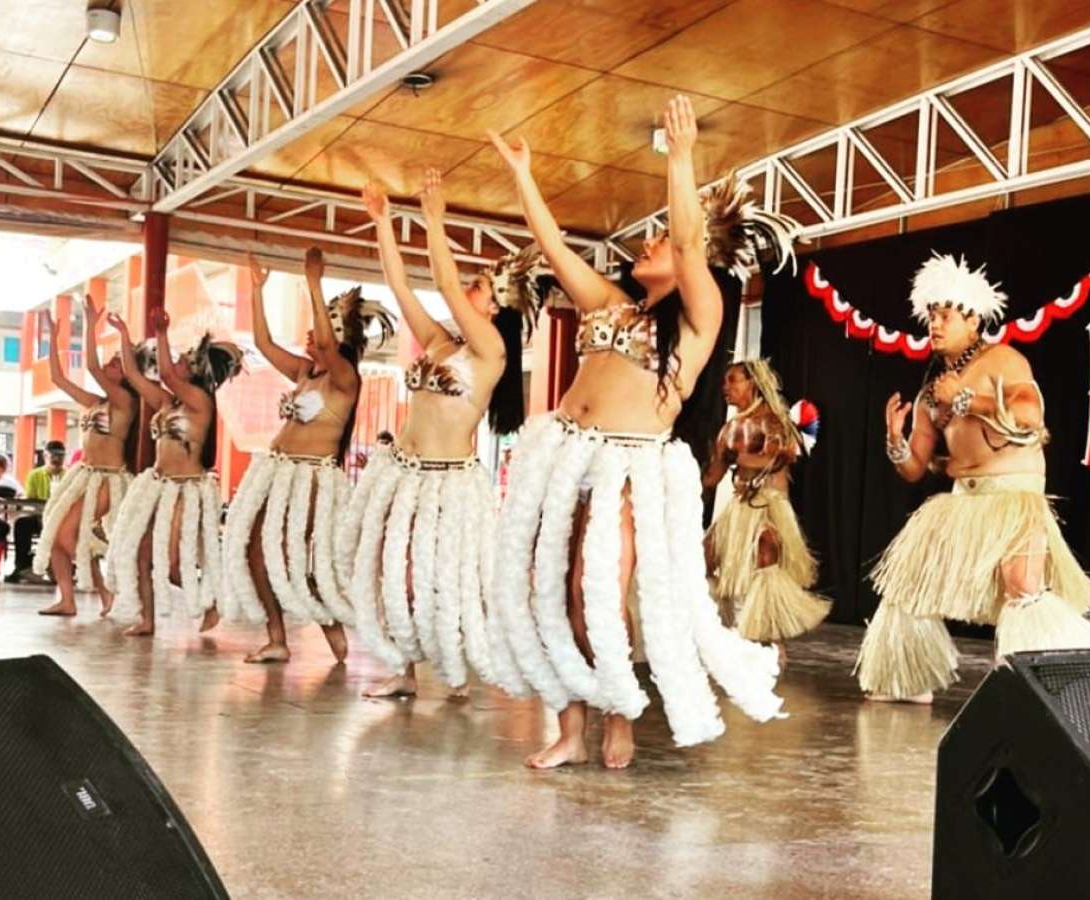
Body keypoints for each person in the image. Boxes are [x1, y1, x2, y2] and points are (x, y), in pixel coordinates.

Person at [486, 96, 798, 768]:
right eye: (649, 237)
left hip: (629, 468)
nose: (649, 242)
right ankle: (570, 728)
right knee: (555, 593)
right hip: (565, 455)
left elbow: (686, 242)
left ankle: (620, 712)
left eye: (660, 240)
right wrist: (523, 177)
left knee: (599, 593)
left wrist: (681, 159)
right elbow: (551, 250)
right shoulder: (611, 302)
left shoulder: (699, 319)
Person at [856, 254, 1090, 703]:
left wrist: (966, 402)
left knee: (1022, 590)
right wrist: (895, 440)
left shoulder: (1004, 361)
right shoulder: (932, 386)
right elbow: (914, 467)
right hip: (962, 498)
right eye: (930, 316)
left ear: (973, 319)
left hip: (1011, 494)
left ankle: (1058, 683)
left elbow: (1030, 419)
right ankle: (907, 678)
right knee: (909, 583)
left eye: (945, 315)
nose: (934, 324)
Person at [336, 173, 537, 699]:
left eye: (480, 287)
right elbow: (401, 288)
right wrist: (383, 223)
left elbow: (445, 285)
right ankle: (403, 671)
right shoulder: (439, 343)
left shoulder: (490, 352)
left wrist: (434, 220)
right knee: (389, 569)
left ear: (493, 308)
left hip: (449, 484)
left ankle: (454, 667)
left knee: (442, 578)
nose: (466, 286)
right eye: (471, 281)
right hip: (403, 475)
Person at [221, 247, 394, 664]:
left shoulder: (344, 378)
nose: (313, 334)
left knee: (290, 558)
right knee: (255, 553)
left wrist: (314, 285)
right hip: (276, 473)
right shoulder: (304, 372)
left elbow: (331, 352)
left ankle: (328, 621)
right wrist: (258, 290)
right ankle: (277, 637)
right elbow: (263, 341)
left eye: (325, 328)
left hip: (313, 479)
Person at [102, 310, 243, 636]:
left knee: (174, 562)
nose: (178, 360)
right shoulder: (168, 401)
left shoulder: (200, 401)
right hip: (158, 485)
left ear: (195, 371)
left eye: (186, 359)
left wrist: (162, 332)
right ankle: (148, 620)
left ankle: (212, 603)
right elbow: (133, 375)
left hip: (186, 489)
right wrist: (124, 334)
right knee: (141, 556)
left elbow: (165, 372)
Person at [703, 360, 830, 659]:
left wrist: (742, 458)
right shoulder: (729, 429)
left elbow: (778, 459)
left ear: (753, 384)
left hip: (769, 505)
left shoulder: (775, 422)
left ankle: (772, 640)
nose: (726, 388)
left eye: (733, 381)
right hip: (741, 506)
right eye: (725, 382)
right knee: (705, 558)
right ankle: (717, 628)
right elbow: (713, 476)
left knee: (766, 556)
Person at [33, 299, 141, 617]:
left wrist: (91, 326)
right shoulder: (95, 401)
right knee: (59, 535)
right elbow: (58, 379)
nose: (108, 365)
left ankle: (106, 593)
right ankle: (68, 600)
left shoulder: (124, 402)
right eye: (111, 361)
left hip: (109, 477)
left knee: (68, 534)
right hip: (83, 473)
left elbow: (92, 367)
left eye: (117, 364)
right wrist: (52, 340)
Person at [3, 441, 66, 584]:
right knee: (22, 524)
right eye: (53, 455)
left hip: (62, 519)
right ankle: (21, 567)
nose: (57, 459)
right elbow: (31, 501)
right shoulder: (35, 475)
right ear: (45, 456)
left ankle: (60, 568)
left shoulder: (68, 475)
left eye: (61, 456)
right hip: (39, 515)